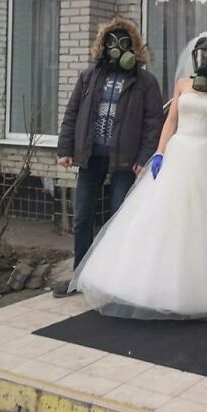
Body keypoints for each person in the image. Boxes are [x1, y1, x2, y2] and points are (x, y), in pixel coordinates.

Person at [70, 33, 207, 319]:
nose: (205, 60)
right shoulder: (182, 85)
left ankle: (196, 289)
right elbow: (171, 120)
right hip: (179, 152)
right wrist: (161, 153)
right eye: (201, 55)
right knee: (160, 218)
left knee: (202, 222)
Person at [53, 17, 164, 297]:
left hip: (126, 161)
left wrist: (144, 157)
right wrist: (65, 149)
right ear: (102, 46)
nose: (116, 48)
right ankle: (79, 276)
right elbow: (72, 114)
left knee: (119, 219)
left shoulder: (145, 82)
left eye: (123, 43)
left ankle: (117, 281)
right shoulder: (88, 77)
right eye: (111, 43)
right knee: (82, 218)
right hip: (91, 157)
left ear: (133, 48)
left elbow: (154, 122)